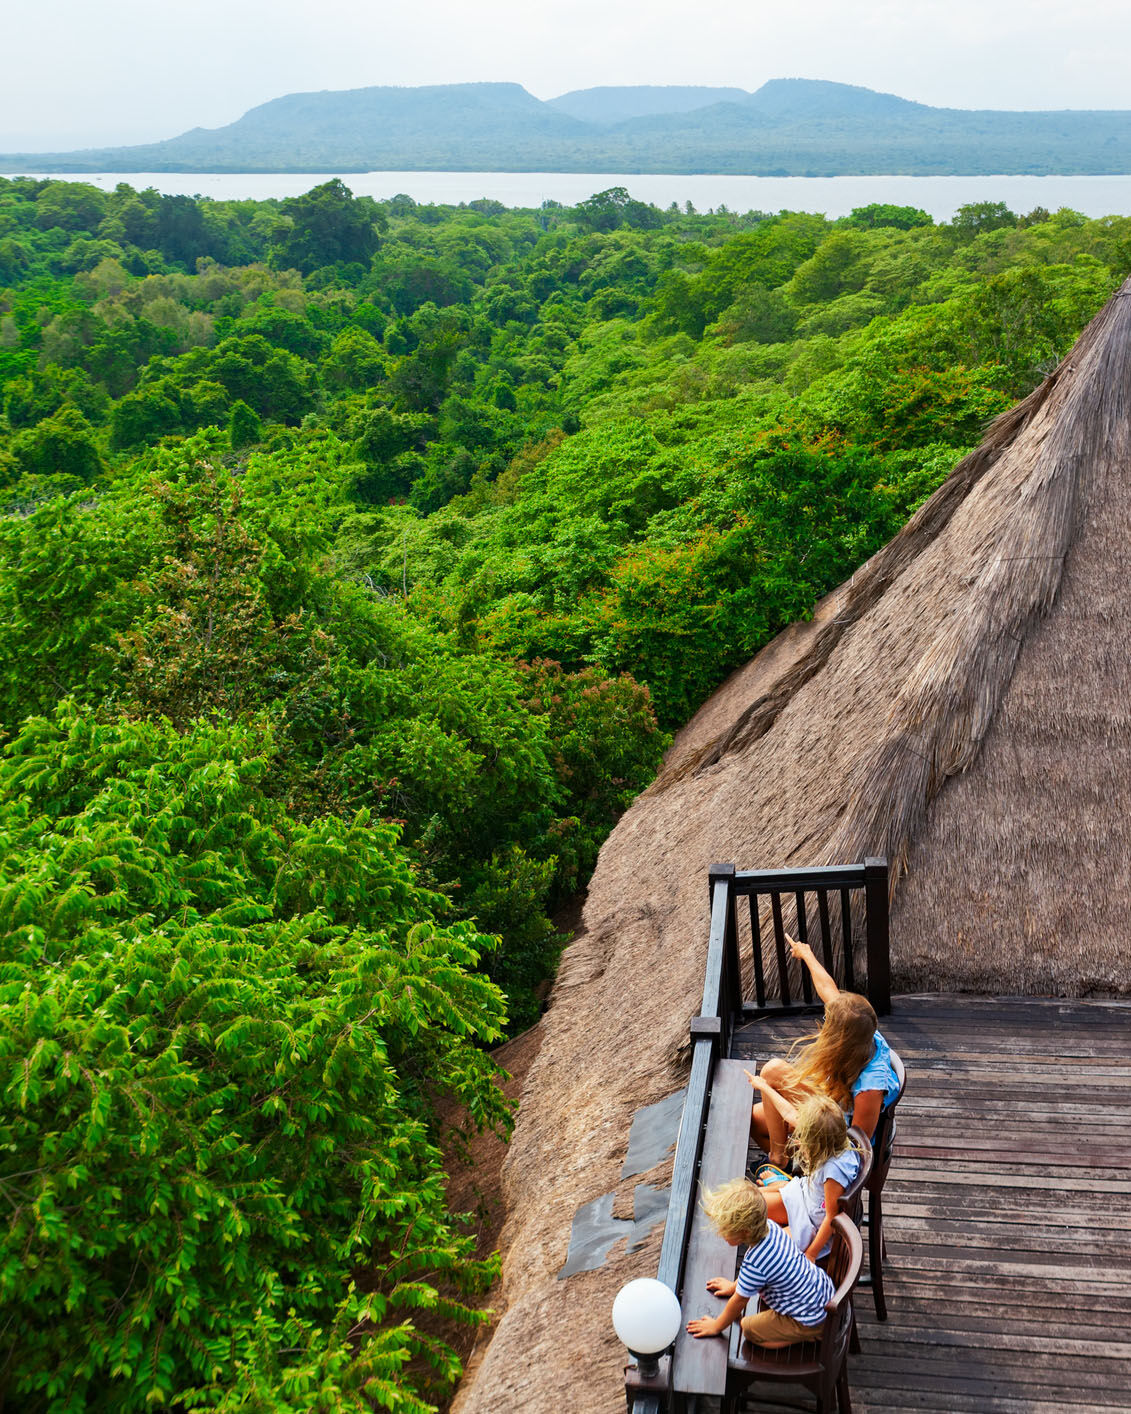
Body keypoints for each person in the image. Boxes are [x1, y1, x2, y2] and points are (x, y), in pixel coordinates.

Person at [750, 934, 899, 1168]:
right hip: (833, 1101)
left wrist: (812, 1141)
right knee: (760, 1104)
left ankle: (795, 1169)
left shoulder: (870, 1088)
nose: (825, 1023)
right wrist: (806, 954)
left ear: (842, 1039)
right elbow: (828, 990)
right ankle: (781, 1160)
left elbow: (856, 1148)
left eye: (830, 1022)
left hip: (837, 1132)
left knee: (769, 1098)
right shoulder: (862, 1029)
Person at [685, 1178, 833, 1348]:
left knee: (748, 1328)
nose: (720, 1233)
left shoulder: (755, 1262)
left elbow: (739, 1301)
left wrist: (716, 1326)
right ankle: (811, 1330)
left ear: (745, 1231)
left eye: (725, 1229)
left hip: (809, 1318)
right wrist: (735, 1286)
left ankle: (810, 1335)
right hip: (823, 1294)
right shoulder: (771, 1227)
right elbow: (754, 1276)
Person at [746, 1092, 862, 1261]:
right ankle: (780, 1189)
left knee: (764, 1250)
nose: (799, 1142)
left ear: (817, 1144)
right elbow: (789, 1115)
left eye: (803, 1139)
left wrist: (812, 1253)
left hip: (808, 1224)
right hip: (803, 1198)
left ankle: (741, 1284)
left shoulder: (834, 1173)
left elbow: (832, 1216)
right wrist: (763, 1086)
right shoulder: (835, 1143)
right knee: (750, 1204)